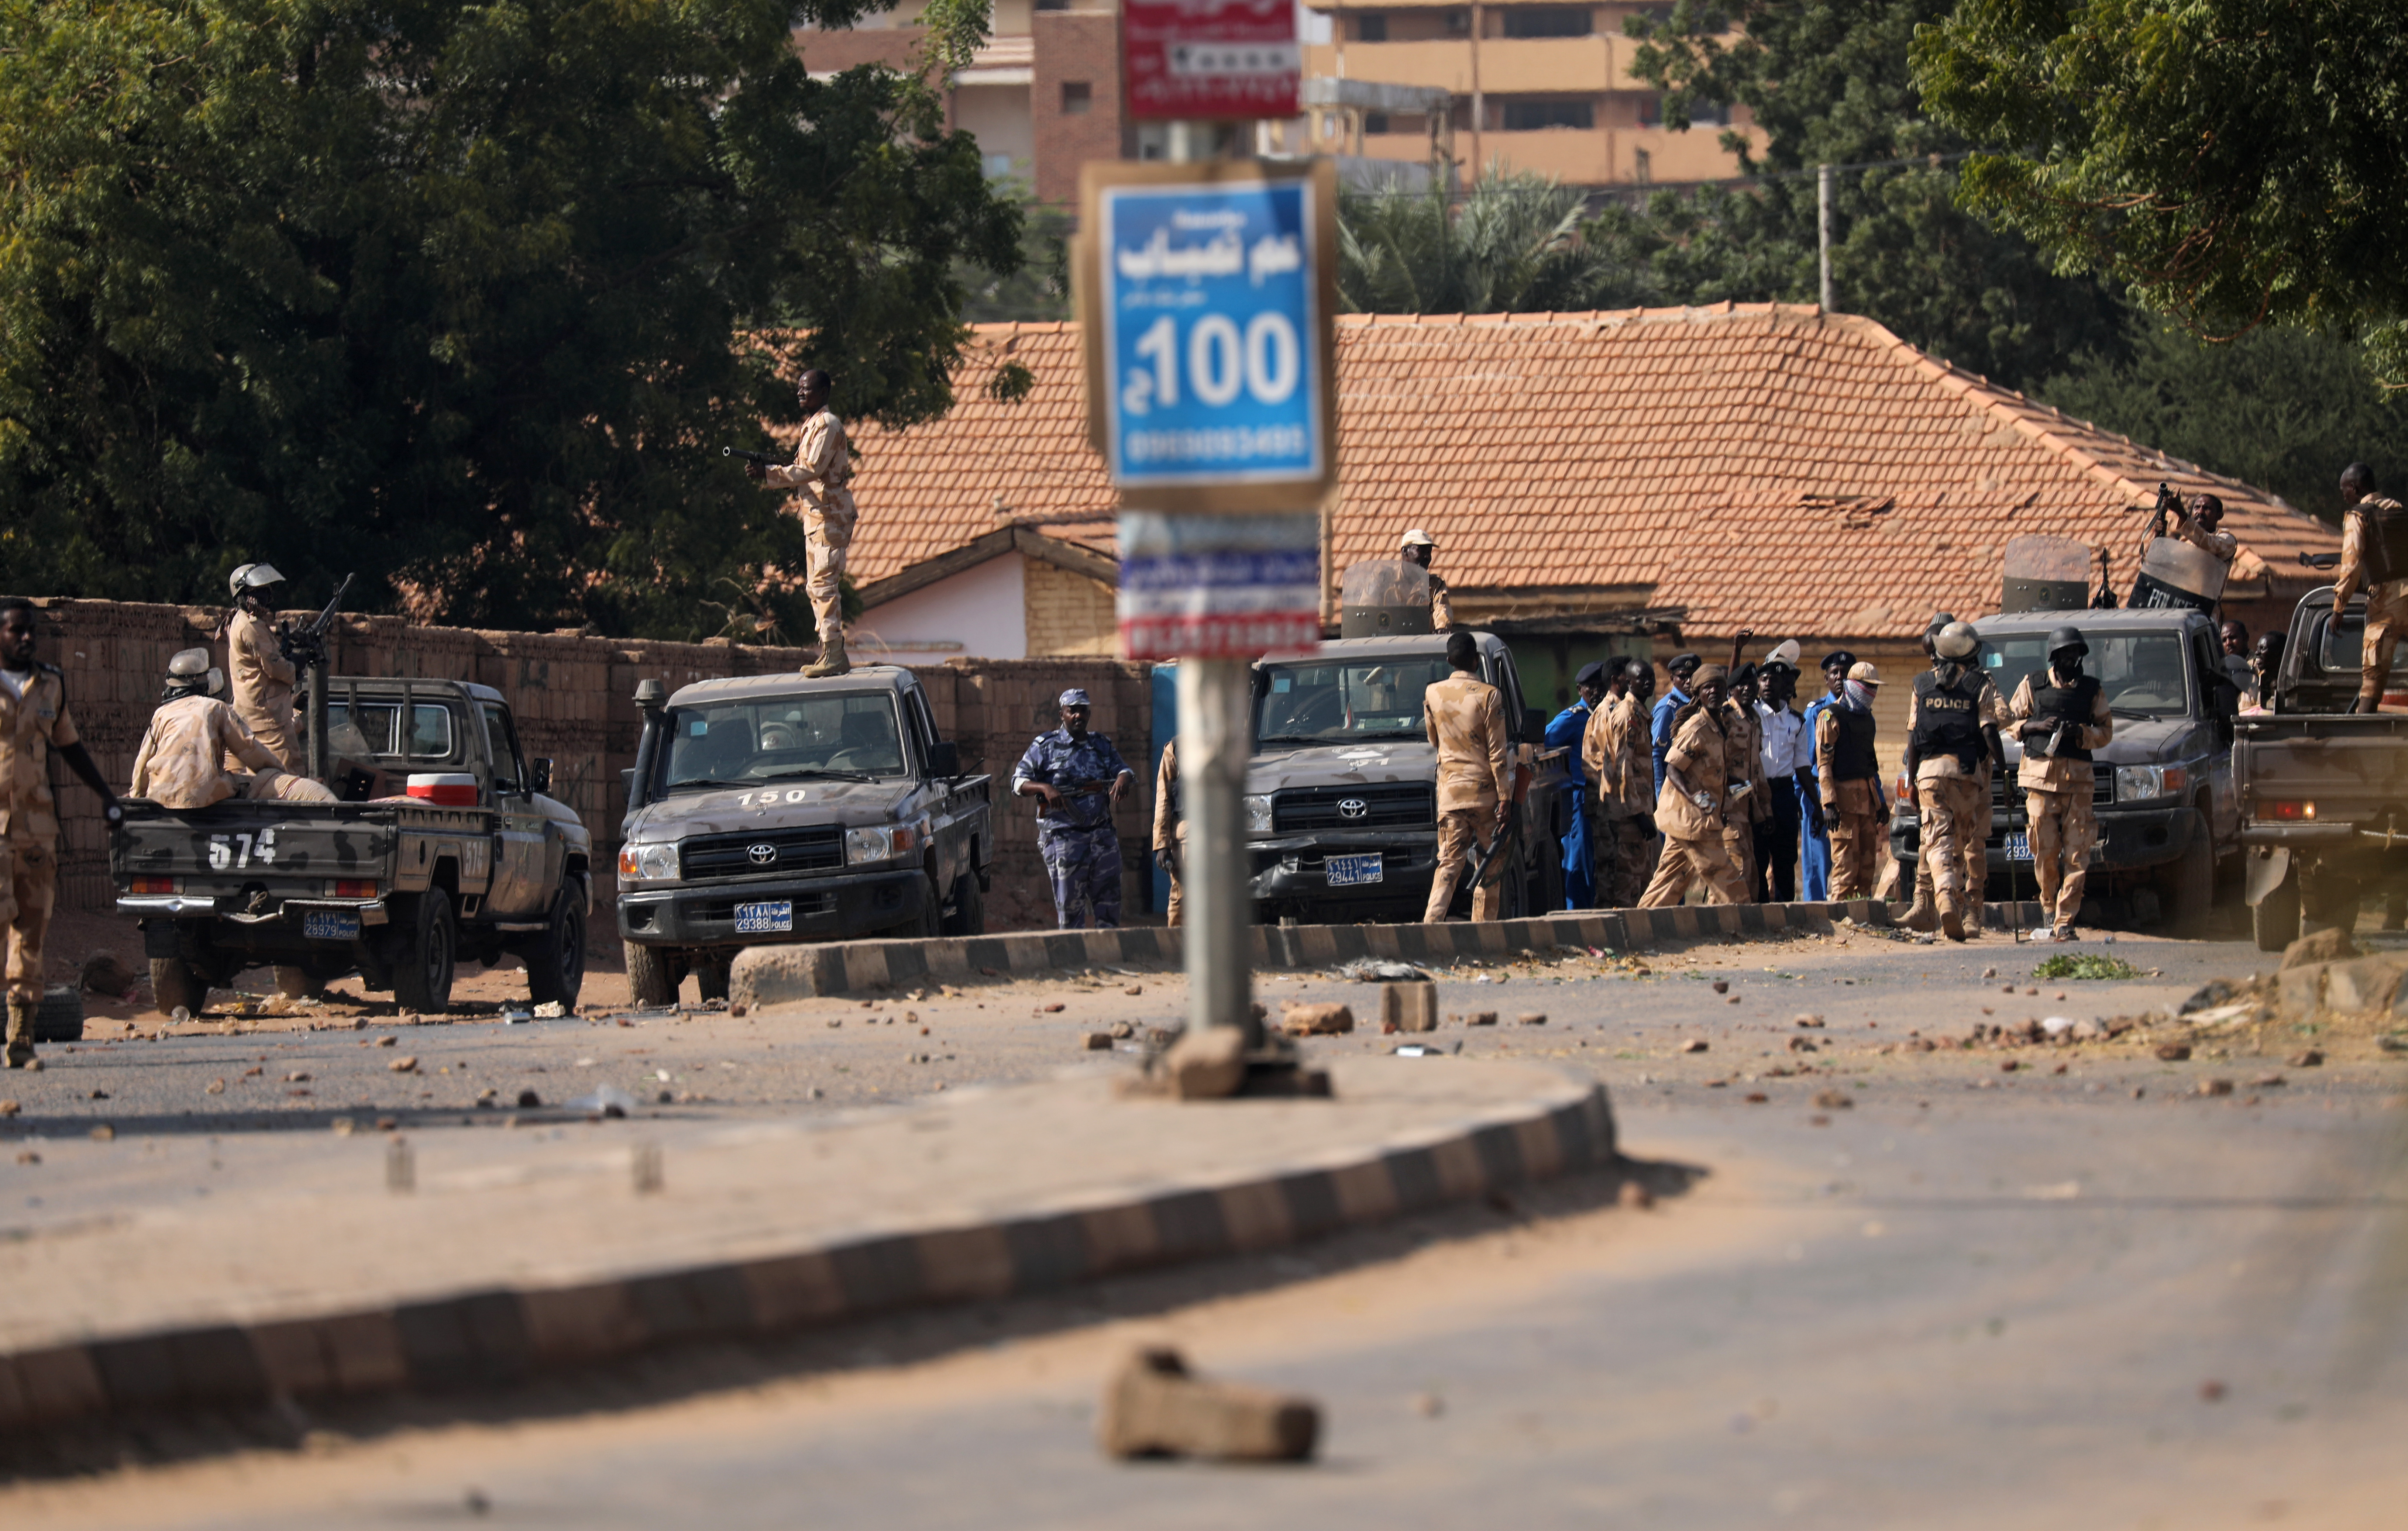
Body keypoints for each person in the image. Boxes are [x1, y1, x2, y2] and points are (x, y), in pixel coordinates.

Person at [1, 598, 124, 1068]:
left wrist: (106, 798)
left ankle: (21, 1039)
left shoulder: (51, 684)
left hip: (37, 832)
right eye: (16, 631)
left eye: (31, 630)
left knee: (30, 934)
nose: (27, 638)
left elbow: (71, 748)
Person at [2006, 626, 2115, 941]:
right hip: (2039, 782)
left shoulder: (2092, 690)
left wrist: (2080, 732)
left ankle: (2065, 920)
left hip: (2078, 785)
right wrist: (2035, 725)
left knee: (2078, 854)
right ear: (2054, 656)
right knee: (2044, 853)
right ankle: (2049, 907)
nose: (2072, 659)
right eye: (2066, 653)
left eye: (2076, 654)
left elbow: (2106, 731)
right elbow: (2009, 721)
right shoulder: (2034, 684)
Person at [1902, 623, 2009, 942]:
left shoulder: (1923, 684)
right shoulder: (1979, 685)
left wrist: (1911, 780)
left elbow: (1912, 735)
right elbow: (1991, 730)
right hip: (1968, 775)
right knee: (1957, 844)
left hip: (1930, 773)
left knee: (1938, 841)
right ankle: (1944, 902)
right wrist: (2005, 773)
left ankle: (1953, 901)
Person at [748, 369, 858, 677]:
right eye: (799, 389)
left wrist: (770, 474)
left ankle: (835, 653)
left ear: (823, 393)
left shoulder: (827, 425)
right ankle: (829, 650)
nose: (800, 394)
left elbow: (810, 469)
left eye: (806, 390)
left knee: (824, 584)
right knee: (815, 586)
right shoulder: (812, 426)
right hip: (817, 517)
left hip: (830, 517)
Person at [128, 651, 338, 810]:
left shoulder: (161, 714)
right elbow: (250, 749)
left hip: (161, 796)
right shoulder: (216, 709)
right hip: (207, 796)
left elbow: (142, 763)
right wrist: (277, 773)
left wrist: (136, 799)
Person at [1012, 689, 1134, 930]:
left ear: (1089, 713)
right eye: (1072, 710)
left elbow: (1124, 769)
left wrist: (1122, 778)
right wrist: (1046, 788)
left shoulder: (1101, 745)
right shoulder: (1046, 746)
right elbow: (1018, 782)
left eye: (1083, 710)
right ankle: (1078, 962)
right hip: (1065, 838)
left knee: (1109, 905)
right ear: (1062, 714)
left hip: (1102, 836)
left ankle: (1108, 958)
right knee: (1070, 910)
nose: (1078, 715)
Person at [1421, 631, 1512, 923]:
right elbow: (1498, 754)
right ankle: (1482, 932)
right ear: (1476, 660)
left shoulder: (1432, 693)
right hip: (1485, 795)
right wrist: (1506, 797)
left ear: (1449, 661)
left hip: (1450, 795)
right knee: (1489, 867)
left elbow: (1433, 739)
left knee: (1448, 865)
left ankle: (1430, 927)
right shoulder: (1490, 696)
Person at [1640, 665, 1748, 907]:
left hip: (1690, 820)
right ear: (1698, 693)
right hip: (1691, 818)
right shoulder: (1696, 728)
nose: (1715, 692)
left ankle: (1641, 923)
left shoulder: (1718, 726)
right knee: (1726, 876)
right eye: (1708, 688)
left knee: (1670, 881)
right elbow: (1673, 767)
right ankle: (1747, 924)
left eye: (1720, 687)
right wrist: (1694, 796)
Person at [2331, 463, 2408, 712]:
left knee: (2373, 677)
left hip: (2387, 601)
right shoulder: (2398, 509)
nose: (2345, 497)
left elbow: (2351, 566)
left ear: (2355, 487)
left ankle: (2360, 736)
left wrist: (2338, 607)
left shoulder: (2358, 516)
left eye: (2346, 491)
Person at [1816, 660, 1888, 900]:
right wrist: (1829, 805)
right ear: (1853, 685)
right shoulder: (1831, 716)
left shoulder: (1868, 719)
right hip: (1842, 805)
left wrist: (1881, 803)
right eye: (1867, 686)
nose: (1872, 692)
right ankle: (1840, 918)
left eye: (1875, 687)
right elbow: (1824, 764)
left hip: (1867, 802)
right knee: (1845, 867)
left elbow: (1871, 762)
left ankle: (1862, 919)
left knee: (1867, 867)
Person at [1545, 662, 1610, 908]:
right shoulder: (1572, 718)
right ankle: (1579, 915)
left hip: (1609, 795)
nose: (1596, 692)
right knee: (1579, 859)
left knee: (1605, 859)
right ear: (1580, 690)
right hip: (1581, 798)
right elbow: (1545, 742)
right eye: (1590, 687)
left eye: (1600, 686)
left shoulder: (1612, 713)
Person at [225, 562, 301, 769]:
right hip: (268, 718)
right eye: (259, 592)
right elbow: (275, 668)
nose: (267, 597)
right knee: (289, 777)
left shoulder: (242, 621)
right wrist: (295, 666)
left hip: (257, 713)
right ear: (244, 594)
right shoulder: (251, 627)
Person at [1595, 659, 1658, 907]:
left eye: (1651, 677)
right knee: (1628, 879)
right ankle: (1624, 931)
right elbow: (1622, 767)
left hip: (1642, 807)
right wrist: (1638, 813)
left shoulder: (1641, 713)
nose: (1648, 682)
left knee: (1643, 877)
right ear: (1628, 682)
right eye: (1642, 678)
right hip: (1630, 813)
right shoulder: (1627, 715)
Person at [1754, 642, 1814, 903]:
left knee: (1786, 856)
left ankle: (1786, 911)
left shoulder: (1796, 721)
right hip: (1757, 791)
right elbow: (1731, 689)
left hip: (1784, 792)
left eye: (1774, 680)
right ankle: (1759, 912)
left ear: (1784, 686)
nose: (1768, 684)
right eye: (1764, 679)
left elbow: (1802, 765)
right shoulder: (1751, 714)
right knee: (1758, 855)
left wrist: (1817, 803)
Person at [1798, 650, 1853, 899]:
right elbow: (1806, 760)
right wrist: (1805, 800)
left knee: (1848, 858)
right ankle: (1814, 912)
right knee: (1818, 862)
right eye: (1835, 673)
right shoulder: (1817, 711)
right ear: (1827, 679)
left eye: (1845, 673)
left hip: (1851, 795)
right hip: (1819, 794)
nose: (1840, 677)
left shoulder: (1860, 713)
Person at [1720, 662, 1769, 900]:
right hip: (1727, 807)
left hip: (1749, 808)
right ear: (1732, 689)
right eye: (1742, 685)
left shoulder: (1755, 720)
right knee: (1733, 870)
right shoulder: (1725, 716)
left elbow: (1757, 770)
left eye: (1752, 684)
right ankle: (1722, 922)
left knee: (1750, 873)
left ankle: (1745, 927)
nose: (1749, 689)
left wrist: (1766, 810)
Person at [1651, 652, 1702, 795]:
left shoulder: (1702, 705)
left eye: (1692, 676)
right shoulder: (1668, 708)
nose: (1688, 681)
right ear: (1673, 679)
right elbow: (1657, 753)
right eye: (1683, 676)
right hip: (1675, 787)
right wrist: (1660, 793)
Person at [1152, 736, 1184, 927]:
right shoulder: (1177, 747)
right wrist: (1162, 844)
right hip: (1188, 830)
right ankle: (1177, 950)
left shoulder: (1236, 739)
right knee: (1182, 896)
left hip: (1225, 830)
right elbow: (1164, 798)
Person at [1399, 529, 1454, 630]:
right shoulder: (1384, 580)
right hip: (1389, 642)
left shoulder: (1434, 585)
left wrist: (1442, 627)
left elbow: (1442, 608)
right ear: (1405, 552)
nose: (1427, 557)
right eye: (1421, 551)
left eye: (1429, 552)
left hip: (1422, 642)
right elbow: (1367, 608)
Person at [2220, 619, 2253, 703]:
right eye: (2224, 640)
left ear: (2246, 638)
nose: (2228, 643)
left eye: (2232, 638)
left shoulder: (2258, 665)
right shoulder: (2222, 669)